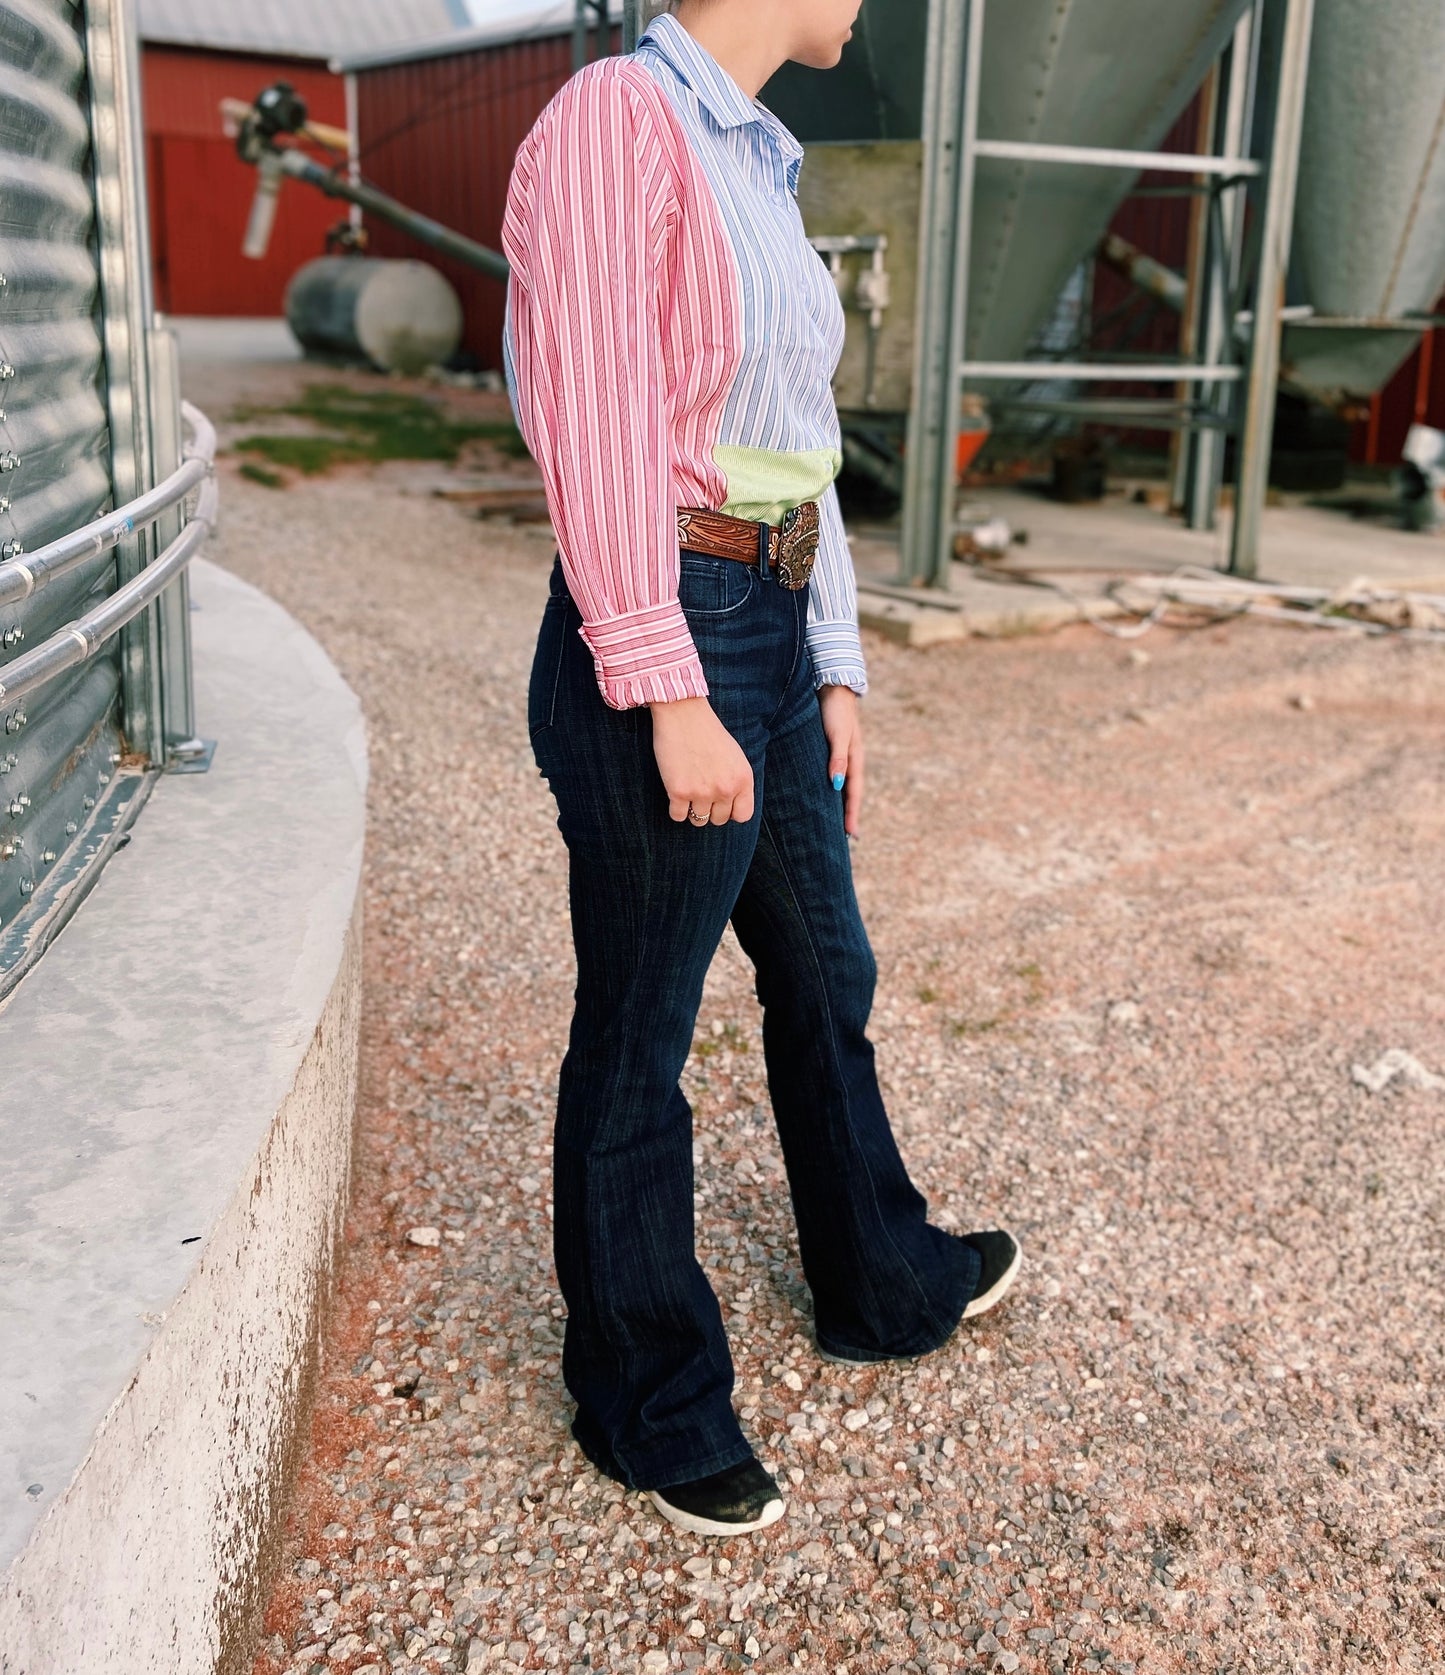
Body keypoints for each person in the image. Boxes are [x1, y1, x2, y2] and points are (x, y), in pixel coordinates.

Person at [500, 0, 1022, 1537]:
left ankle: (881, 1276)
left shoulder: (761, 159)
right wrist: (665, 689)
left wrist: (835, 658)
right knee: (642, 1032)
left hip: (773, 629)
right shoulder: (616, 121)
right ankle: (648, 1406)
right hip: (667, 623)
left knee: (825, 968)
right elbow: (591, 429)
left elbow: (795, 438)